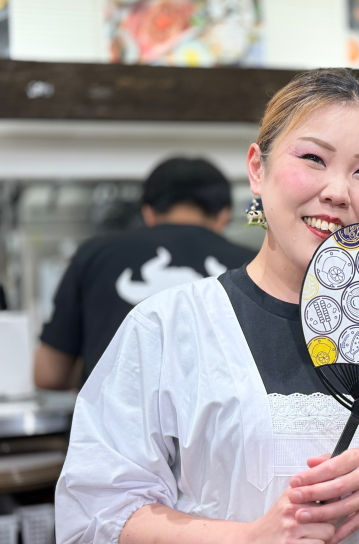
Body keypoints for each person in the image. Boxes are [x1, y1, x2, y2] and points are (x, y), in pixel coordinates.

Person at [55, 69, 359, 544]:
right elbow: (99, 519)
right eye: (313, 159)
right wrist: (249, 543)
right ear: (258, 169)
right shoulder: (169, 326)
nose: (338, 191)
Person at [34, 157, 256, 391]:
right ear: (224, 215)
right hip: (220, 424)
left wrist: (99, 373)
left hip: (116, 424)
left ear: (148, 212)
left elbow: (49, 374)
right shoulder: (252, 265)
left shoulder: (94, 255)